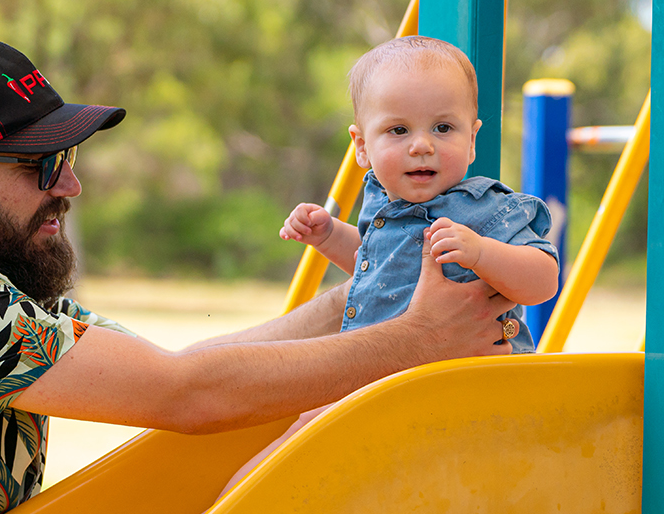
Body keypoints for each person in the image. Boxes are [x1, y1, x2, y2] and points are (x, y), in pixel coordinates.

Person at [0, 38, 519, 514]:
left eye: (68, 160)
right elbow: (185, 396)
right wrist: (416, 339)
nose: (67, 186)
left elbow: (178, 368)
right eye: (41, 165)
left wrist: (369, 297)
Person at [223, 36, 561, 494]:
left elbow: (542, 280)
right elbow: (377, 269)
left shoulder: (489, 211)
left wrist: (482, 253)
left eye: (443, 128)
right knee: (279, 462)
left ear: (473, 138)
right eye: (398, 131)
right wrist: (329, 236)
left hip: (465, 393)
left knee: (290, 462)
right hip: (376, 378)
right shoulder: (381, 202)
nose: (422, 145)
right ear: (361, 146)